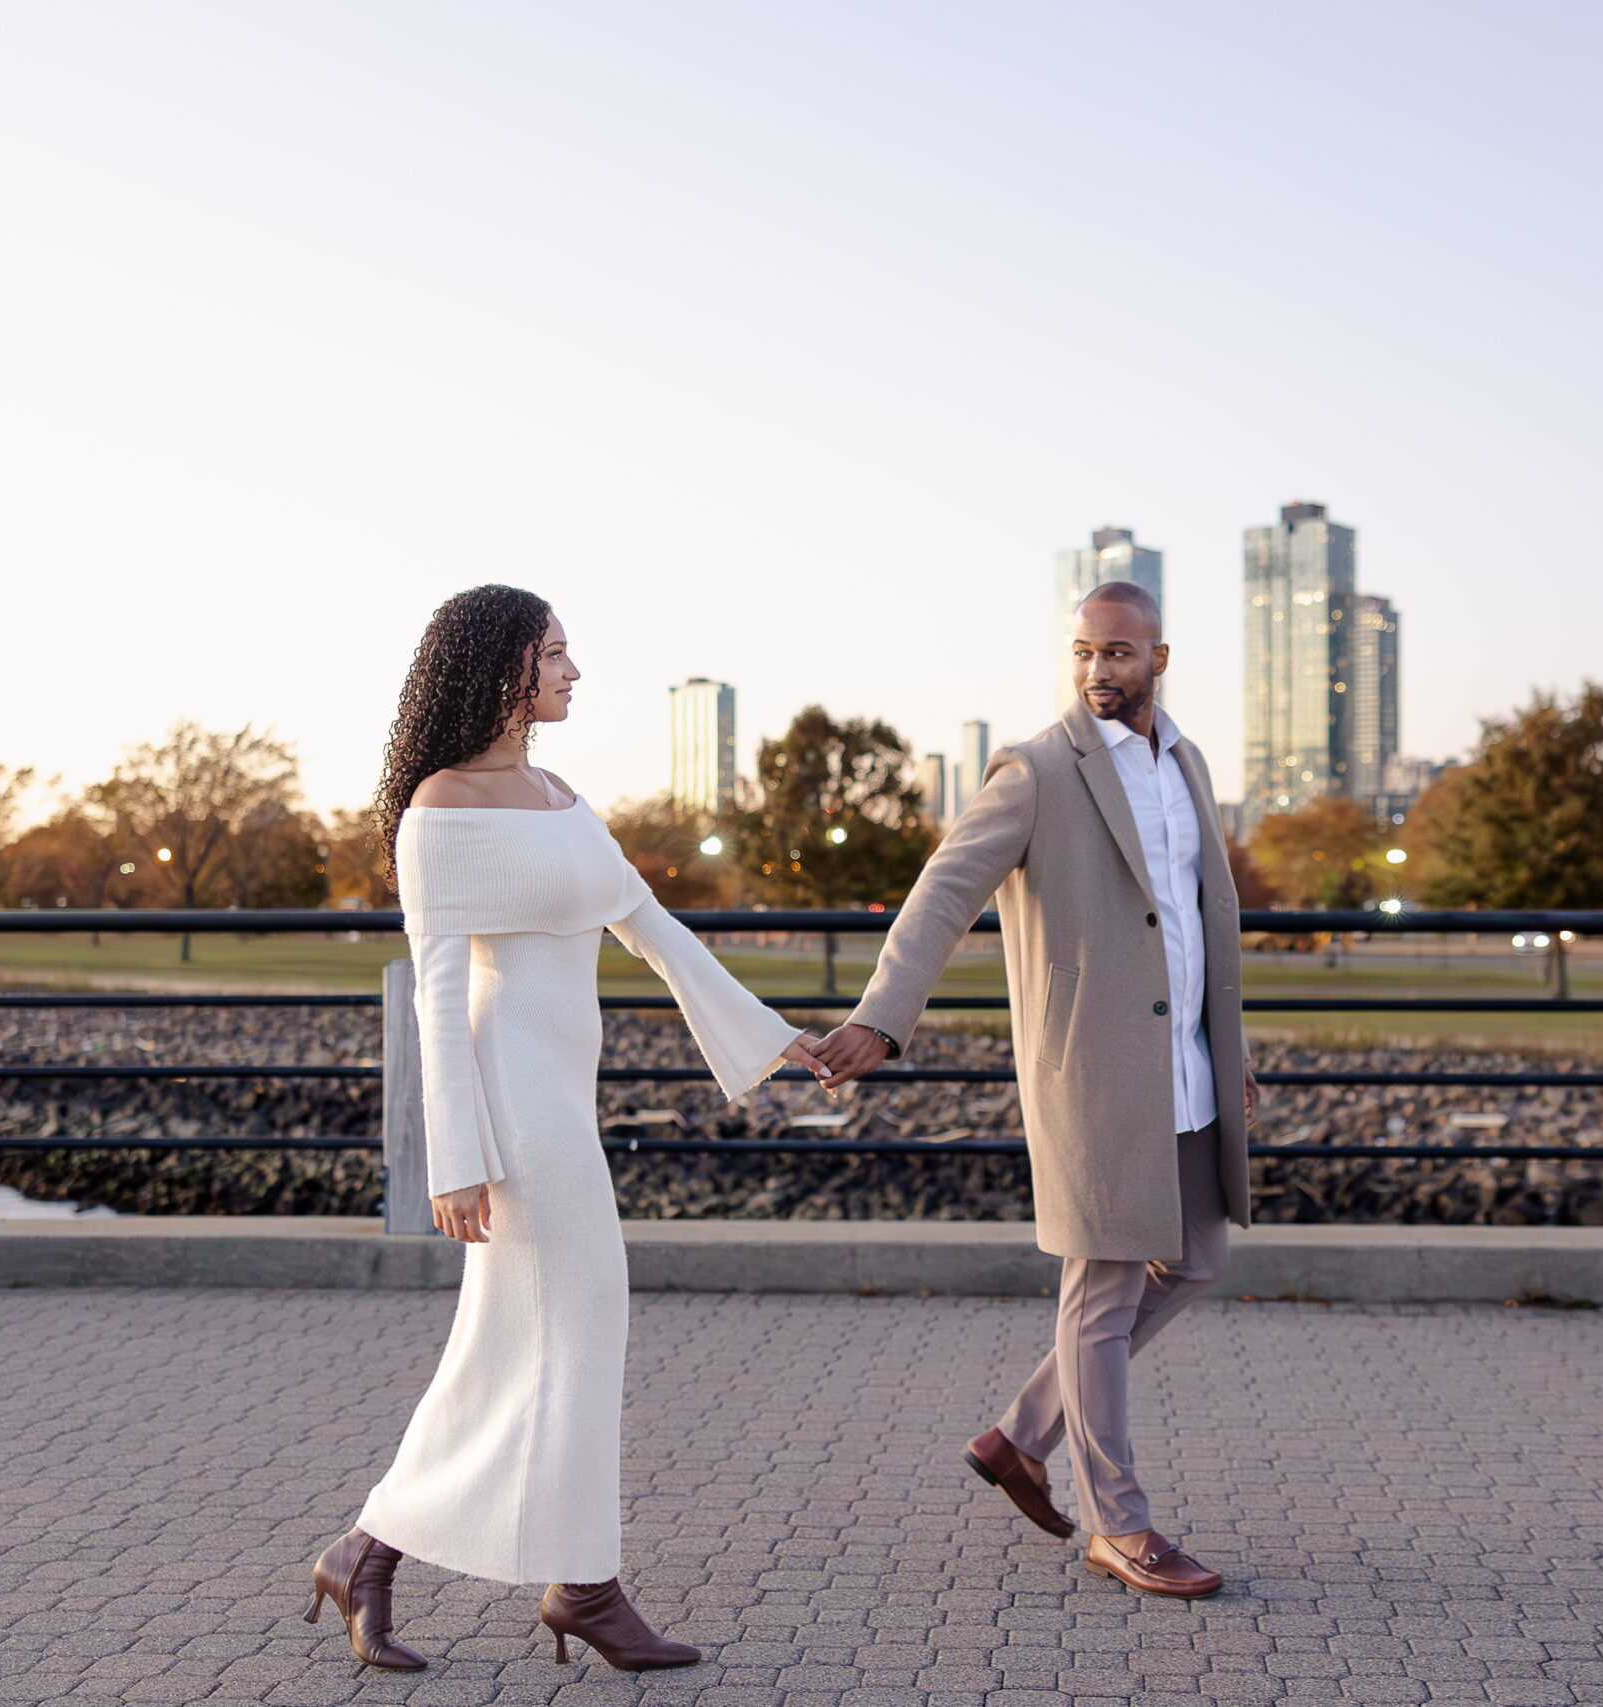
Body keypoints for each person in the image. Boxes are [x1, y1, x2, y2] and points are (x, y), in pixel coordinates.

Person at [303, 584, 835, 1670]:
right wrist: (457, 1160)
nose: (573, 672)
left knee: (529, 1342)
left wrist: (778, 1038)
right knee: (573, 1323)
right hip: (511, 1102)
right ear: (500, 669)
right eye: (553, 655)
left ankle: (376, 1551)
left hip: (563, 1097)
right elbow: (438, 998)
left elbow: (652, 928)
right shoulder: (439, 809)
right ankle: (580, 1588)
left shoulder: (557, 792)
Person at [812, 580, 1258, 1599]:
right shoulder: (1037, 771)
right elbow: (940, 894)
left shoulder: (1184, 761)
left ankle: (1019, 1436)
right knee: (1099, 1295)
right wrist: (881, 1017)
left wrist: (1226, 1046)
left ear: (1159, 658)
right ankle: (1119, 1526)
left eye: (1117, 653)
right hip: (1093, 1074)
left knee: (1193, 1261)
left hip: (1184, 1065)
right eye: (1083, 652)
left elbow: (1192, 922)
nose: (1098, 669)